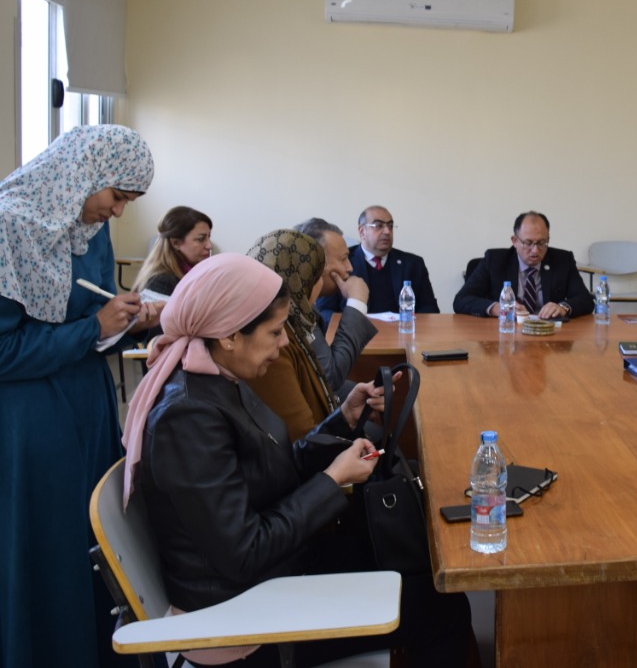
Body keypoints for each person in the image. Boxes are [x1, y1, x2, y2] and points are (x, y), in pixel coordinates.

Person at [122, 253, 471, 667]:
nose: (284, 344)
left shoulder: (217, 379)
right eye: (274, 333)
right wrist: (331, 480)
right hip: (243, 611)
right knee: (441, 607)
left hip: (272, 574)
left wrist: (343, 420)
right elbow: (244, 552)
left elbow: (268, 468)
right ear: (229, 335)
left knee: (410, 562)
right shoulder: (188, 416)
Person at [0, 124, 157, 668]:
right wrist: (93, 328)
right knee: (50, 551)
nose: (118, 211)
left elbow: (92, 313)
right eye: (117, 196)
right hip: (33, 420)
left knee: (95, 542)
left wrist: (129, 319)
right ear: (84, 173)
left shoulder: (89, 227)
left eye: (128, 201)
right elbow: (4, 352)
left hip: (87, 407)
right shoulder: (9, 224)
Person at [244, 229, 359, 440]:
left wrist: (345, 413)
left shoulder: (295, 320)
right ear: (299, 279)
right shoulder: (275, 339)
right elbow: (301, 434)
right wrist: (357, 302)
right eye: (316, 275)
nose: (320, 283)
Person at [454, 210, 593, 319]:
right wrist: (498, 308)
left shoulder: (563, 260)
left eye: (542, 243)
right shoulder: (495, 260)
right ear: (514, 241)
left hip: (547, 334)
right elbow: (461, 300)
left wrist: (563, 307)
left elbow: (585, 300)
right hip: (506, 333)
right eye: (528, 243)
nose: (535, 250)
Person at [316, 205, 438, 326]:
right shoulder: (342, 262)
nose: (387, 232)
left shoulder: (413, 264)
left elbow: (430, 309)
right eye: (379, 226)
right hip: (356, 334)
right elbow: (324, 311)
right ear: (362, 231)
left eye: (390, 226)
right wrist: (348, 326)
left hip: (402, 332)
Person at [292, 217, 377, 390]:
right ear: (314, 263)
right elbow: (330, 378)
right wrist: (357, 302)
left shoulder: (305, 301)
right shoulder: (295, 309)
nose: (350, 267)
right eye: (343, 259)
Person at [132, 206, 214, 295]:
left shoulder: (196, 273)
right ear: (176, 243)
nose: (209, 246)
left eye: (209, 237)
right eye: (201, 239)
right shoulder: (161, 281)